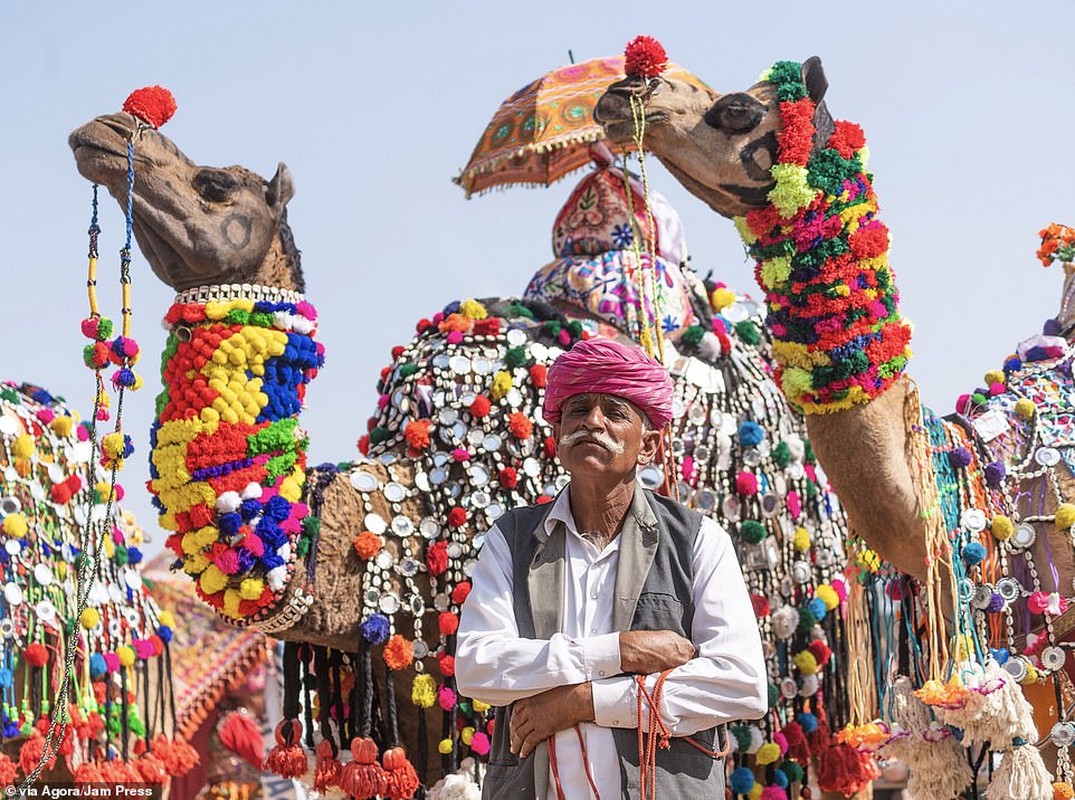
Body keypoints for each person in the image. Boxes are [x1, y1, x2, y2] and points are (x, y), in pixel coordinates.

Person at [455, 337, 767, 799]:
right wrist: (618, 652)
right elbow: (477, 668)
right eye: (577, 409)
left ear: (649, 447)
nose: (592, 422)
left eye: (615, 412)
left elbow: (739, 684)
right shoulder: (513, 540)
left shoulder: (697, 540)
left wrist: (582, 703)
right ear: (557, 434)